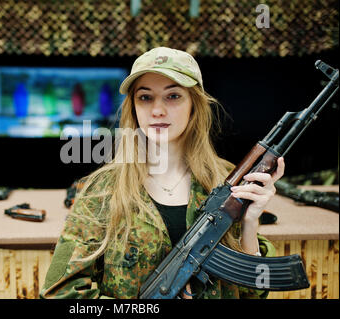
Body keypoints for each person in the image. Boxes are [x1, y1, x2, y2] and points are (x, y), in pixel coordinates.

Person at [40, 47, 284, 299]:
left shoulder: (228, 181)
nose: (157, 110)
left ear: (194, 105)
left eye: (173, 96)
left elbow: (251, 295)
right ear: (133, 107)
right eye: (145, 97)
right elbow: (58, 294)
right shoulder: (103, 190)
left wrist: (250, 222)